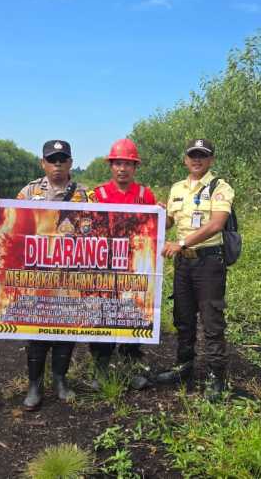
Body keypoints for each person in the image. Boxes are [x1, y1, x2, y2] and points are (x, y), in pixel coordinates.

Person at [156, 139, 234, 402]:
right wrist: (157, 215)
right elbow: (168, 223)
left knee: (212, 320)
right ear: (185, 159)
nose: (197, 160)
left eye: (202, 155)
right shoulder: (177, 188)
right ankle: (184, 367)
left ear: (211, 160)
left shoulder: (219, 187)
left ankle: (216, 376)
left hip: (208, 262)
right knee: (183, 317)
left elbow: (216, 224)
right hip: (183, 263)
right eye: (193, 155)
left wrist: (181, 243)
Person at [16, 139, 89, 411]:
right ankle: (34, 385)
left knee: (67, 328)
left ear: (70, 163)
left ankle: (60, 379)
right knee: (37, 329)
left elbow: (98, 228)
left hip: (71, 274)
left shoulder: (84, 194)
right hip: (39, 274)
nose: (57, 164)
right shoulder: (29, 191)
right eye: (51, 160)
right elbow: (11, 225)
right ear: (43, 163)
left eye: (62, 159)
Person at [86, 138, 156, 391]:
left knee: (132, 315)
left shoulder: (145, 195)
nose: (122, 169)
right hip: (104, 267)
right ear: (111, 166)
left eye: (128, 164)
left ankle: (129, 367)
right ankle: (101, 368)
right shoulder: (96, 195)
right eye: (117, 163)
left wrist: (163, 215)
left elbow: (157, 229)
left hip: (134, 267)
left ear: (135, 167)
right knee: (103, 315)